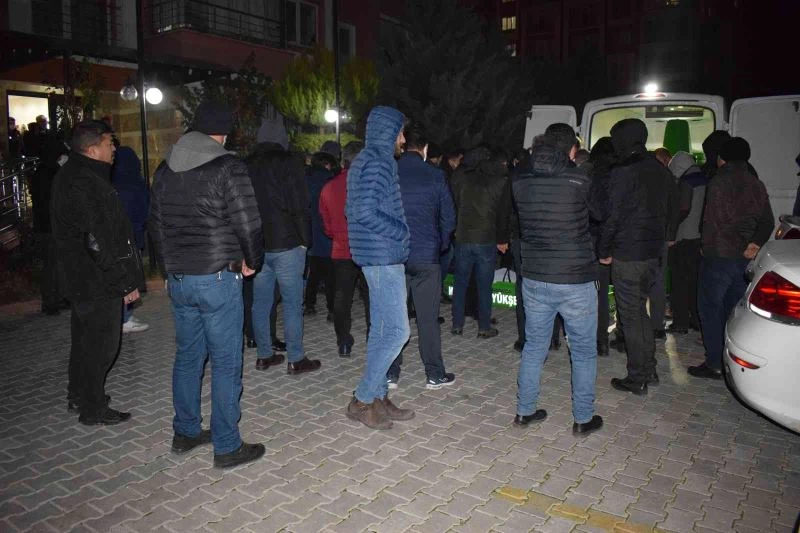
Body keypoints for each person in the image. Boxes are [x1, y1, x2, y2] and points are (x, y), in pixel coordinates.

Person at [149, 100, 266, 468]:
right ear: (224, 133)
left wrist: (168, 270)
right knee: (226, 362)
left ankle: (185, 432)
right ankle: (227, 445)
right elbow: (248, 221)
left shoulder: (164, 168)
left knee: (188, 357)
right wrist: (253, 261)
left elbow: (155, 226)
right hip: (217, 277)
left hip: (180, 279)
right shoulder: (228, 166)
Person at [512, 123, 604, 436]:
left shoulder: (520, 180)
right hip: (575, 277)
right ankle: (582, 418)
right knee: (583, 351)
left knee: (534, 346)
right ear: (572, 149)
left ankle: (525, 411)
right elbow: (601, 213)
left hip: (535, 276)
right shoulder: (580, 179)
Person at [51, 120, 142, 425]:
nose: (113, 148)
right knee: (103, 345)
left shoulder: (76, 175)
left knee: (85, 341)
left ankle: (80, 394)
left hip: (83, 276)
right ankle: (93, 407)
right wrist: (123, 281)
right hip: (95, 279)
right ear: (92, 149)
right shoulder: (84, 182)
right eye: (108, 143)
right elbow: (96, 240)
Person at [344, 105, 415, 430]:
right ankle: (362, 399)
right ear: (389, 132)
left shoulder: (365, 159)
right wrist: (400, 231)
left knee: (382, 331)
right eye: (400, 132)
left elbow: (353, 209)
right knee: (399, 331)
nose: (403, 140)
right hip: (383, 256)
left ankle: (378, 396)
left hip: (375, 255)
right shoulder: (379, 162)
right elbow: (361, 210)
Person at [599, 118, 679, 396]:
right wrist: (668, 236)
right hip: (653, 253)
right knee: (640, 313)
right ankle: (649, 370)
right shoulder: (660, 169)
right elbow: (675, 207)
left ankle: (637, 377)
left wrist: (604, 250)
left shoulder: (623, 171)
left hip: (628, 254)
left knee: (630, 316)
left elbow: (612, 216)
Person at [691, 137, 773, 379]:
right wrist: (754, 243)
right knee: (733, 310)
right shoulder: (756, 184)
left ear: (722, 158)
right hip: (745, 257)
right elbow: (768, 221)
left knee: (710, 309)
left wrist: (705, 247)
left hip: (719, 255)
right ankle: (731, 360)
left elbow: (712, 221)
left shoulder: (719, 182)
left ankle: (714, 363)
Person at [385, 123, 456, 390]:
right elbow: (449, 218)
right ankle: (434, 374)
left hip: (395, 256)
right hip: (427, 256)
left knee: (395, 317)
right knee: (428, 319)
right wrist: (440, 244)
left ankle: (390, 373)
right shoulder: (436, 175)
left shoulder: (390, 172)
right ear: (425, 149)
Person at [247, 136, 320, 375]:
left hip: (258, 244)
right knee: (292, 303)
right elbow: (300, 204)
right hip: (288, 243)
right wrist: (305, 241)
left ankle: (264, 355)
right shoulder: (288, 162)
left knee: (261, 304)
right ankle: (296, 358)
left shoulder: (247, 165)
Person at [449, 146, 511, 338]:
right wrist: (502, 239)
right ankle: (484, 327)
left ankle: (457, 324)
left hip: (463, 237)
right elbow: (503, 214)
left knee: (461, 283)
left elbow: (456, 204)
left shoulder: (461, 179)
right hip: (486, 238)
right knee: (484, 285)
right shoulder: (499, 181)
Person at [319, 141, 370, 357]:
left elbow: (327, 225)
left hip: (341, 248)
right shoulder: (370, 187)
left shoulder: (329, 187)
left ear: (343, 161)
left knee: (342, 296)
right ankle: (373, 337)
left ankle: (344, 341)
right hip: (368, 248)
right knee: (370, 296)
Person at [666, 151, 707, 334]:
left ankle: (680, 323)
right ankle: (696, 320)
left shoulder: (687, 182)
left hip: (684, 239)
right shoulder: (705, 179)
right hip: (699, 239)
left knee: (679, 282)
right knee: (695, 283)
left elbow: (683, 209)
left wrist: (670, 232)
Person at [111, 146, 150, 333]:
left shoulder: (113, 183)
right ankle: (125, 318)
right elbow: (143, 210)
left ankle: (123, 316)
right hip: (131, 238)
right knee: (129, 277)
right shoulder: (133, 184)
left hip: (120, 239)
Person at [587, 137, 616, 356]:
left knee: (597, 293)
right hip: (620, 242)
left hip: (595, 241)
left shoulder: (593, 176)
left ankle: (599, 339)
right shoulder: (621, 175)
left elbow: (595, 212)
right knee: (612, 293)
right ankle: (607, 339)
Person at [304, 148, 338, 318]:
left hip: (311, 236)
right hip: (328, 235)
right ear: (327, 165)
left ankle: (309, 304)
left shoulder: (305, 181)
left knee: (313, 274)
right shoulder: (331, 182)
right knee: (331, 276)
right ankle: (332, 309)